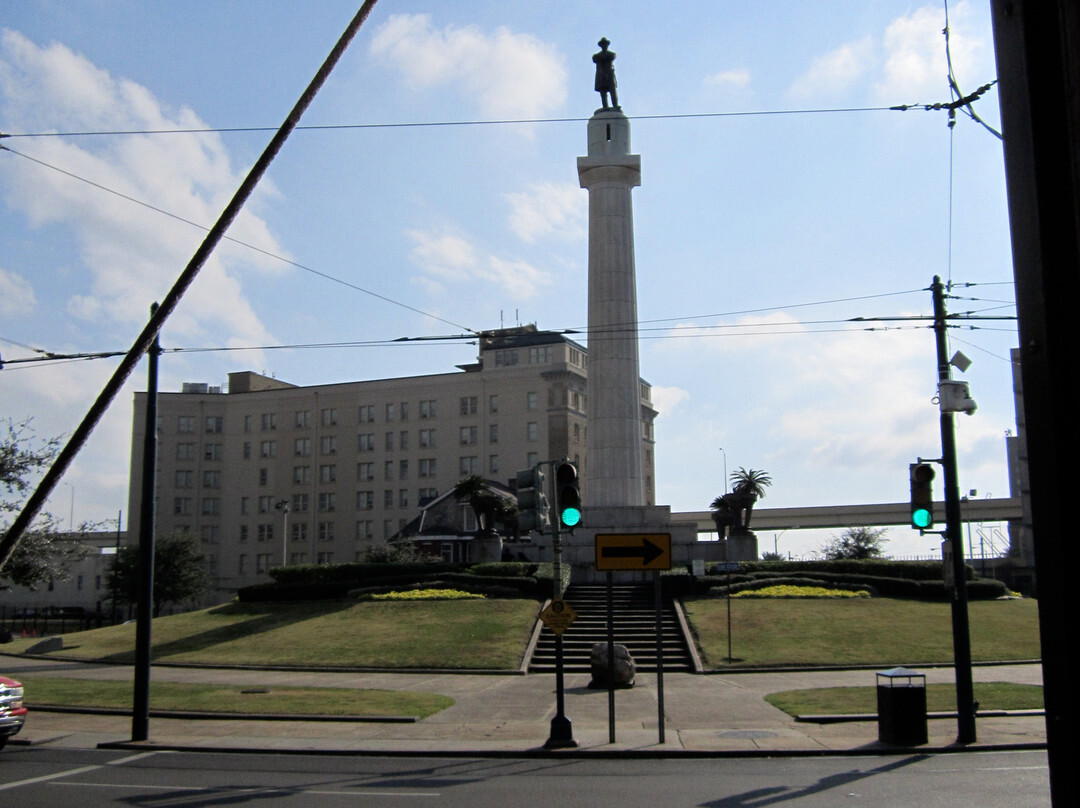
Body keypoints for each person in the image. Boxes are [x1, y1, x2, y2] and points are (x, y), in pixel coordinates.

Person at [593, 37, 619, 110]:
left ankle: (615, 105)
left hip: (609, 75)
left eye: (605, 44)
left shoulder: (611, 54)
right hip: (601, 75)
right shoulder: (597, 56)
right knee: (603, 92)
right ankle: (605, 107)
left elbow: (612, 56)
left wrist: (603, 57)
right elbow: (595, 58)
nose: (604, 46)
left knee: (613, 91)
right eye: (603, 44)